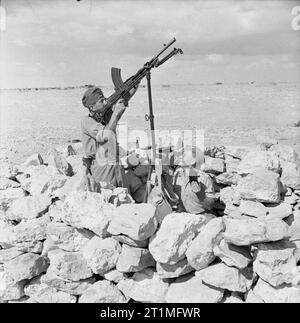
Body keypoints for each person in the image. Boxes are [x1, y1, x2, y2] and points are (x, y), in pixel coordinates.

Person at [81, 85, 138, 189]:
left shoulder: (106, 116)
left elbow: (126, 97)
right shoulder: (87, 121)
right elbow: (105, 135)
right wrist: (115, 113)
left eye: (104, 99)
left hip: (116, 166)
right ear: (92, 107)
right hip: (102, 170)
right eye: (101, 101)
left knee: (125, 200)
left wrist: (137, 80)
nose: (105, 102)